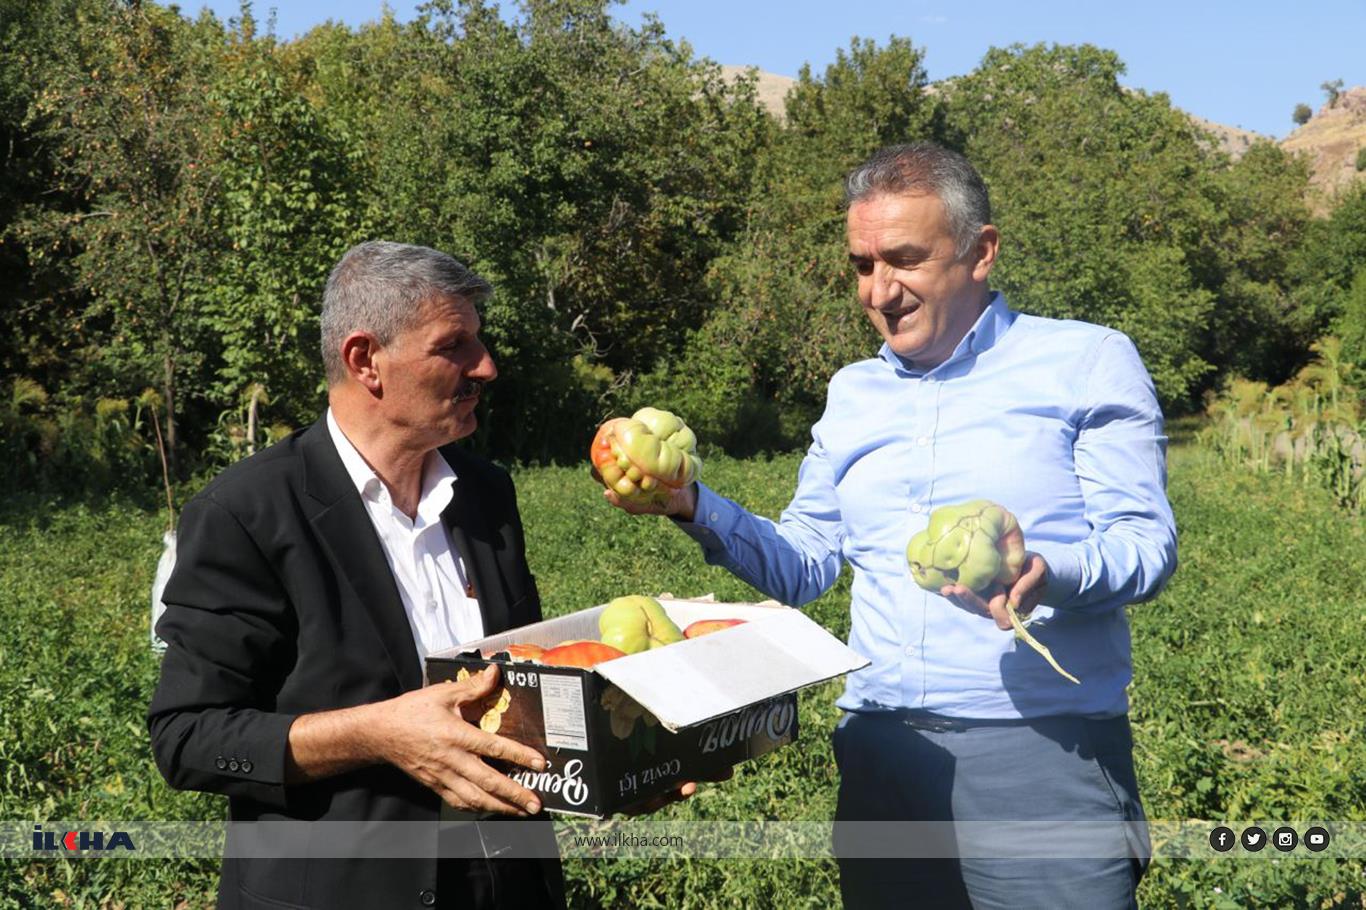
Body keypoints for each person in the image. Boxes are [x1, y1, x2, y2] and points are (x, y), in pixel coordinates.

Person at [602, 143, 1178, 909]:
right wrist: (691, 505)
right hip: (880, 755)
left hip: (1039, 754)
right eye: (862, 265)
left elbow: (1145, 542)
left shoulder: (1085, 362)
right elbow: (803, 564)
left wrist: (1048, 574)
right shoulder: (853, 394)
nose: (880, 290)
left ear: (981, 252)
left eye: (905, 259)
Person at [148, 241, 566, 909]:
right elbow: (188, 739)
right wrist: (377, 733)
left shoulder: (486, 494)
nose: (485, 365)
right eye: (453, 346)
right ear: (365, 360)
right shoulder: (248, 513)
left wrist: (622, 762)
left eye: (478, 340)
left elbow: (515, 687)